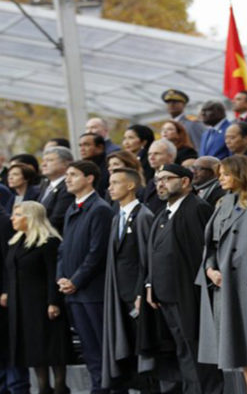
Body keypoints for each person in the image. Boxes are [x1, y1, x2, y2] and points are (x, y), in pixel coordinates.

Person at [196, 156, 247, 394]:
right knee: (234, 336)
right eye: (220, 174)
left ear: (240, 174)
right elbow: (210, 244)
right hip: (224, 282)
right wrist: (209, 269)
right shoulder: (222, 203)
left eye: (226, 174)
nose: (221, 179)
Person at [143, 164, 222, 394]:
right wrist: (150, 285)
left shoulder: (196, 208)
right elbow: (153, 254)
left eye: (167, 178)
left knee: (198, 352)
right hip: (165, 295)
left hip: (189, 294)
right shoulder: (163, 212)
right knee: (183, 352)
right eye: (158, 179)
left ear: (186, 181)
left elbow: (203, 253)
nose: (160, 183)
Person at [1, 201, 71, 394]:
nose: (12, 218)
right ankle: (42, 389)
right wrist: (6, 291)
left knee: (52, 350)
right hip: (21, 305)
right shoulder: (16, 241)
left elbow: (52, 274)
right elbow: (10, 270)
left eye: (17, 215)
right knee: (34, 351)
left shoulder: (48, 241)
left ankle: (59, 388)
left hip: (42, 304)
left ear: (30, 217)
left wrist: (53, 302)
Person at [57, 160, 113, 394]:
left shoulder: (100, 208)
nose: (67, 179)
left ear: (89, 178)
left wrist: (76, 280)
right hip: (73, 292)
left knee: (100, 347)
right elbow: (64, 248)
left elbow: (97, 252)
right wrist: (61, 277)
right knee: (89, 349)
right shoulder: (72, 208)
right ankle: (96, 386)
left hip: (92, 292)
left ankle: (107, 388)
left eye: (73, 174)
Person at [102, 168, 155, 392]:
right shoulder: (117, 218)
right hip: (119, 294)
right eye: (110, 182)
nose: (110, 187)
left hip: (136, 295)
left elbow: (147, 259)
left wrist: (141, 292)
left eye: (116, 182)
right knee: (127, 348)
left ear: (131, 185)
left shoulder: (144, 216)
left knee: (143, 350)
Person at [0, 204, 31, 394]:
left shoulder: (3, 221)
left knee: (8, 346)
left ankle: (16, 387)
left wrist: (6, 289)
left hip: (4, 296)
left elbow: (8, 260)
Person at [38, 146, 74, 233]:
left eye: (49, 160)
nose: (44, 164)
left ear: (66, 163)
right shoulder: (45, 185)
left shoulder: (68, 187)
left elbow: (57, 220)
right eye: (44, 161)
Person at [142, 139, 176, 214]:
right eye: (149, 154)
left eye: (157, 154)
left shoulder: (176, 180)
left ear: (170, 157)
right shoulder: (151, 181)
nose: (151, 157)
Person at [79, 133, 110, 198]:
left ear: (100, 147)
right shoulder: (80, 167)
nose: (82, 149)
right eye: (80, 146)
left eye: (86, 145)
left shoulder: (109, 167)